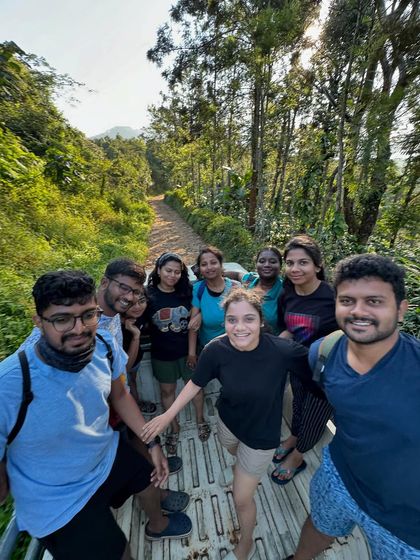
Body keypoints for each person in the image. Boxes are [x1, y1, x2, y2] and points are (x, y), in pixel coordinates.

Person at [0, 270, 192, 560]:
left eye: (88, 315)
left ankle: (158, 524)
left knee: (147, 479)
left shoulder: (103, 344)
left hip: (104, 455)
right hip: (59, 500)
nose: (79, 329)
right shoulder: (11, 384)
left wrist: (152, 443)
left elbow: (119, 395)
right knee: (119, 552)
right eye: (63, 319)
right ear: (38, 322)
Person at [141, 288, 321, 560]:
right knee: (234, 456)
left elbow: (319, 381)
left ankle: (246, 543)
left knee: (241, 499)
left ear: (261, 321)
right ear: (224, 321)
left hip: (261, 437)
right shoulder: (216, 348)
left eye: (248, 319)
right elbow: (196, 383)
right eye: (231, 320)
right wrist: (168, 416)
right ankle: (242, 473)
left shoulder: (284, 352)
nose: (239, 328)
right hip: (227, 423)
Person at [285, 254, 420, 560]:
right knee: (319, 526)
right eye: (347, 300)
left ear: (400, 310)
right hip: (339, 476)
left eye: (374, 301)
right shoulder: (324, 353)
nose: (358, 311)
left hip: (405, 524)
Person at [271, 235, 338, 484]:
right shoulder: (287, 294)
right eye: (290, 263)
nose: (295, 269)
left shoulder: (333, 297)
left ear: (318, 266)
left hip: (326, 373)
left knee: (314, 415)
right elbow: (288, 328)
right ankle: (293, 437)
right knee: (298, 404)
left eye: (303, 262)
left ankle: (298, 456)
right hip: (298, 365)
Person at [147, 252, 210, 452]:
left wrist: (193, 352)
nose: (172, 275)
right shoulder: (148, 296)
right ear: (158, 270)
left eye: (177, 272)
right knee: (167, 391)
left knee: (196, 388)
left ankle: (200, 420)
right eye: (168, 271)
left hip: (187, 351)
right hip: (162, 354)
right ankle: (173, 427)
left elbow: (197, 314)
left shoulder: (187, 291)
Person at [188, 245, 240, 355]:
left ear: (221, 265)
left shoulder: (235, 288)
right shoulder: (199, 289)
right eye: (204, 264)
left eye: (213, 262)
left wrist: (202, 314)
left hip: (235, 348)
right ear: (200, 269)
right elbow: (193, 326)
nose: (209, 267)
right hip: (208, 349)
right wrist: (192, 354)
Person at [226, 246, 283, 334]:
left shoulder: (285, 291)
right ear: (256, 265)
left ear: (280, 266)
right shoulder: (250, 279)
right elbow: (237, 274)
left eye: (272, 262)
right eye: (262, 261)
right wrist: (217, 274)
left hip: (271, 343)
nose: (267, 265)